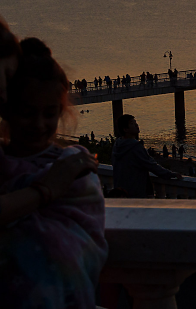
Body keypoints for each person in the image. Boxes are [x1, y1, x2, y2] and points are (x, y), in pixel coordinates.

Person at [0, 24, 108, 308]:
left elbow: (85, 228)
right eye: (27, 113)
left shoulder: (73, 163)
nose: (39, 124)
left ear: (61, 111)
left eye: (49, 114)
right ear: (6, 109)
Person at [112, 113, 182, 197]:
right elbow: (151, 165)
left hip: (121, 190)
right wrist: (170, 174)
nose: (136, 125)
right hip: (136, 191)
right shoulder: (135, 147)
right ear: (125, 129)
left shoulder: (117, 145)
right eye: (132, 124)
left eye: (135, 122)